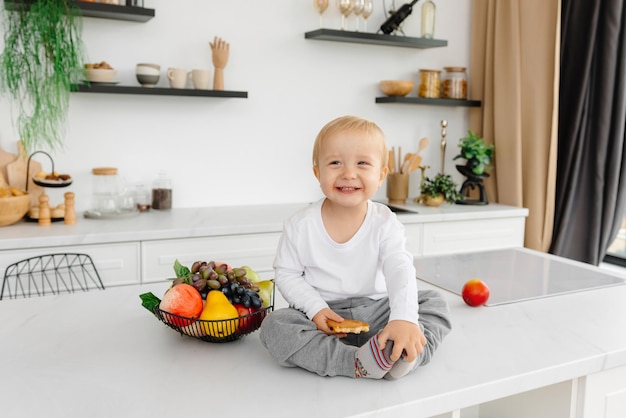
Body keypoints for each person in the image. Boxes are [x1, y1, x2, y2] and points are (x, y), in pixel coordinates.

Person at [259, 115, 452, 379]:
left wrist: (403, 318)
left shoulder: (385, 222)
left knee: (434, 303)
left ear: (381, 174)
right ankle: (355, 362)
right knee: (274, 325)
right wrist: (316, 309)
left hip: (379, 312)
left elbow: (399, 267)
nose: (349, 173)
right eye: (335, 162)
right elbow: (286, 273)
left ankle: (403, 355)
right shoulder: (300, 224)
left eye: (362, 163)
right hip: (325, 317)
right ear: (318, 173)